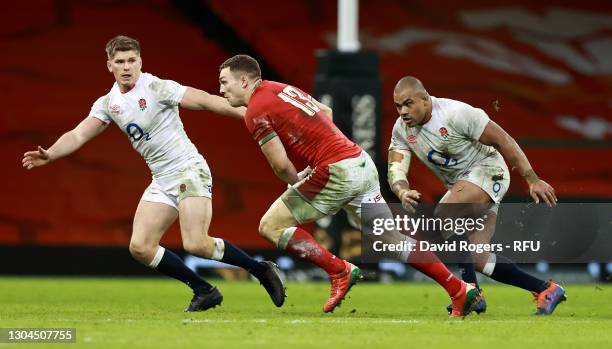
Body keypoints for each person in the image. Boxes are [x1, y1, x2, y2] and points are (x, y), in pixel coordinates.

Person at [21, 35, 285, 312]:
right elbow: (78, 134)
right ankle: (204, 290)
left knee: (196, 243)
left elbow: (206, 101)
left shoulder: (157, 87)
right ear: (109, 65)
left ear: (140, 61)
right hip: (162, 179)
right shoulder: (108, 103)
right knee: (141, 247)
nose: (127, 67)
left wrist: (253, 114)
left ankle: (260, 269)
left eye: (132, 60)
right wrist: (50, 153)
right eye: (120, 62)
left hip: (187, 169)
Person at [218, 54, 483, 316]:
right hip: (360, 162)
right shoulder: (280, 88)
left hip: (337, 172)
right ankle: (459, 289)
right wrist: (326, 152)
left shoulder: (254, 110)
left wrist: (298, 178)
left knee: (271, 226)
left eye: (224, 82)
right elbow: (327, 112)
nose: (221, 89)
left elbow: (280, 165)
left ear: (244, 81)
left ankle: (338, 270)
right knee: (393, 239)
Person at [388, 76, 566, 315]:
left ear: (425, 99)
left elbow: (503, 139)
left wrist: (532, 179)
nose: (403, 111)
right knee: (478, 258)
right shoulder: (402, 130)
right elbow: (396, 167)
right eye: (398, 106)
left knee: (444, 214)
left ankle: (469, 292)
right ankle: (546, 289)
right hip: (465, 185)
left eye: (408, 103)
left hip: (489, 172)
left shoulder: (456, 113)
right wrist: (402, 190)